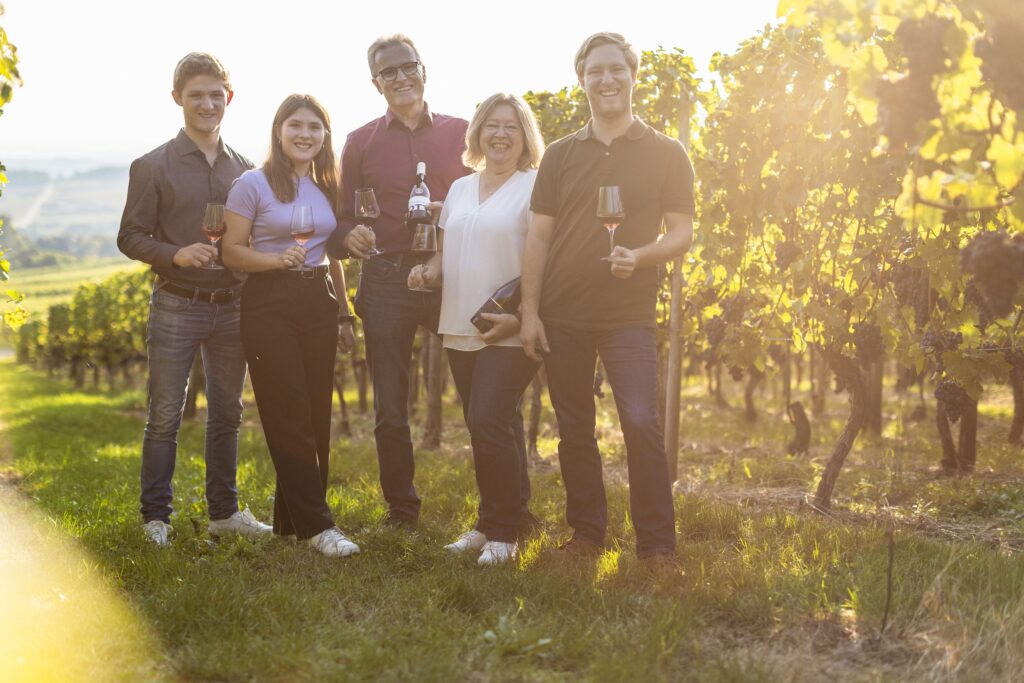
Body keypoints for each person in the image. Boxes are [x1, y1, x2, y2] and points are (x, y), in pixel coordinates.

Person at [519, 33, 696, 565]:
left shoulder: (667, 152)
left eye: (616, 68)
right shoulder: (559, 154)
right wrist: (529, 312)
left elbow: (682, 232)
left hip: (628, 314)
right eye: (595, 71)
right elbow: (539, 237)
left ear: (633, 75)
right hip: (563, 312)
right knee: (574, 429)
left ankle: (657, 545)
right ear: (582, 81)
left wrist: (639, 256)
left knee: (640, 422)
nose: (606, 79)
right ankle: (586, 536)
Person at [118, 52, 271, 546]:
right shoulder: (151, 166)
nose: (207, 104)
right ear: (177, 99)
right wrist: (175, 254)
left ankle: (224, 513)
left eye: (215, 95)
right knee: (165, 413)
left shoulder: (247, 171)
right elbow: (129, 236)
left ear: (229, 98)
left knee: (228, 413)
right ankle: (155, 518)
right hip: (176, 303)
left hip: (233, 306)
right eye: (196, 95)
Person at [326, 34, 471, 529]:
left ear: (423, 70)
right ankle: (402, 512)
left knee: (483, 397)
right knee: (390, 407)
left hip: (453, 271)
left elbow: (487, 198)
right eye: (388, 72)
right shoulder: (359, 142)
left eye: (408, 66)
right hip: (385, 278)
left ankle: (508, 508)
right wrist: (349, 236)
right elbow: (341, 218)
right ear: (376, 83)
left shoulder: (462, 133)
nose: (401, 77)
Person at [407, 93, 545, 565]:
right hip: (460, 320)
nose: (500, 134)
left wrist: (525, 316)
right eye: (492, 125)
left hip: (509, 322)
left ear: (525, 136)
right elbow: (443, 254)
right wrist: (427, 272)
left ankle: (503, 533)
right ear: (478, 133)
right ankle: (498, 520)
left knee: (488, 419)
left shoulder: (535, 186)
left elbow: (547, 257)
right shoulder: (461, 189)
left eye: (511, 126)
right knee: (487, 424)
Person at [221, 94, 359, 558]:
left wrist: (344, 313)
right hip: (268, 301)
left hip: (318, 299)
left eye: (314, 126)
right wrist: (275, 260)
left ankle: (291, 520)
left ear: (325, 135)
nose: (305, 134)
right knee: (288, 411)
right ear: (279, 130)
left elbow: (331, 255)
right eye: (295, 125)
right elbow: (231, 252)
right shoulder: (251, 184)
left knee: (316, 413)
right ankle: (320, 526)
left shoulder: (326, 185)